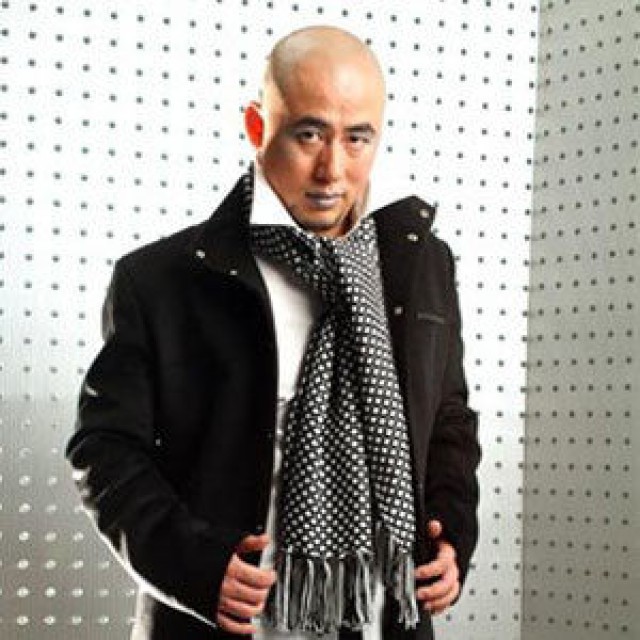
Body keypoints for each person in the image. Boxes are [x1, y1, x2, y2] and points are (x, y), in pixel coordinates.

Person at [66, 25, 481, 640]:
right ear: (257, 126)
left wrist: (452, 534)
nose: (332, 168)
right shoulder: (160, 280)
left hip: (379, 618)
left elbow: (447, 418)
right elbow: (104, 449)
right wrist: (192, 565)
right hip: (224, 623)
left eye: (357, 138)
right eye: (308, 134)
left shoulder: (420, 266)